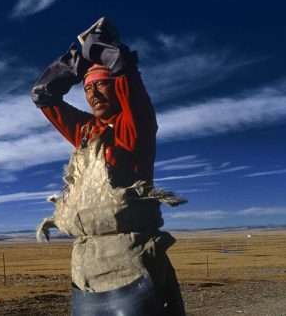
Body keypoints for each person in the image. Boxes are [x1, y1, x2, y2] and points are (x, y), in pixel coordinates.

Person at [31, 17, 186, 316]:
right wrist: (73, 65)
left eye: (101, 85)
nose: (93, 94)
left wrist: (97, 47)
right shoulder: (88, 132)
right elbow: (43, 95)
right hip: (86, 270)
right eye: (88, 89)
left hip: (131, 266)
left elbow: (121, 67)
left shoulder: (133, 129)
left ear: (117, 86)